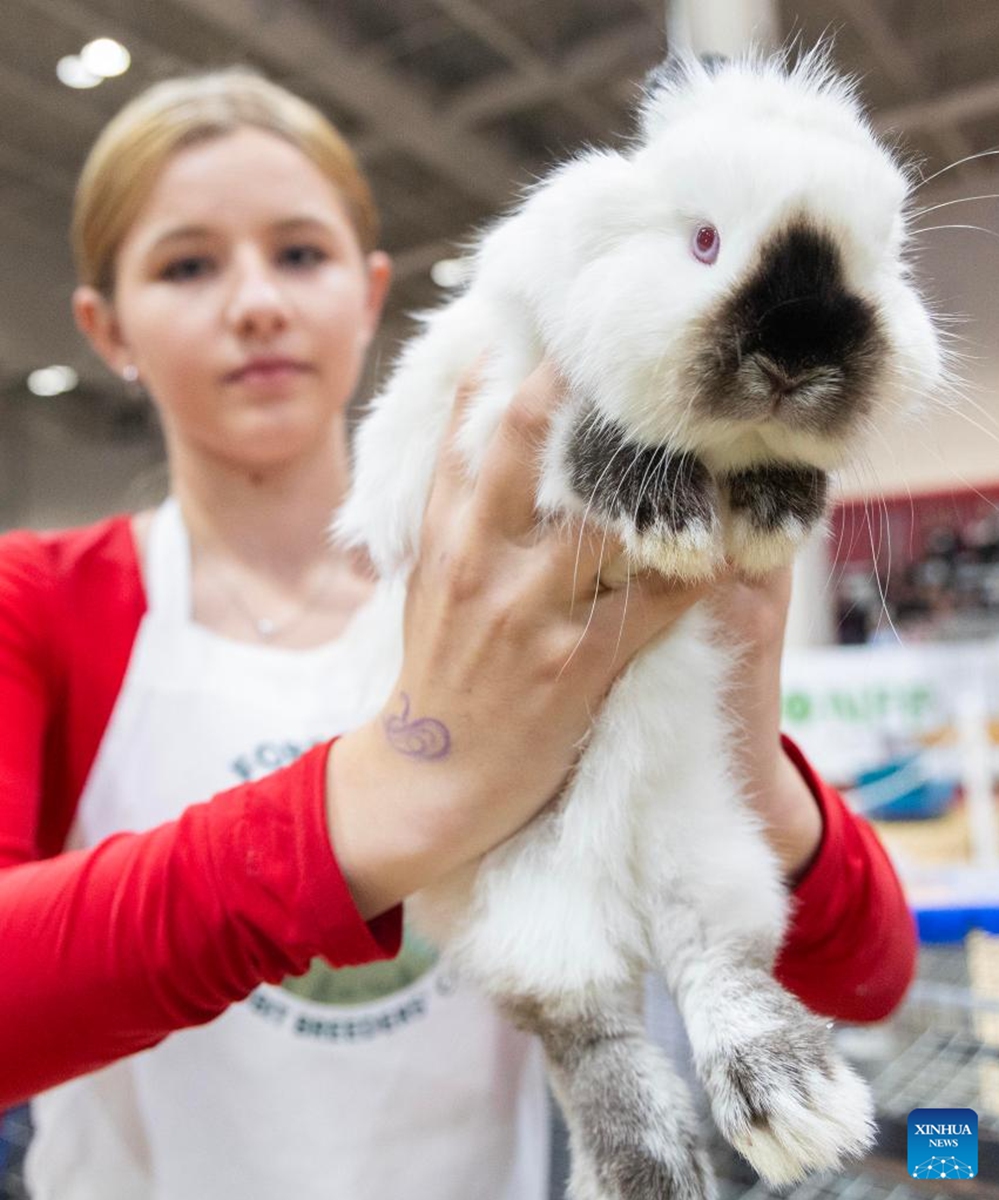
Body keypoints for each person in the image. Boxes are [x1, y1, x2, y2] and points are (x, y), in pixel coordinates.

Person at [0, 69, 916, 1200]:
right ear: (107, 327)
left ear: (371, 288)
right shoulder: (38, 600)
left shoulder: (563, 563)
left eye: (300, 254)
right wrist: (389, 791)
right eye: (187, 265)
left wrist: (748, 756)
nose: (256, 304)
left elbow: (870, 974)